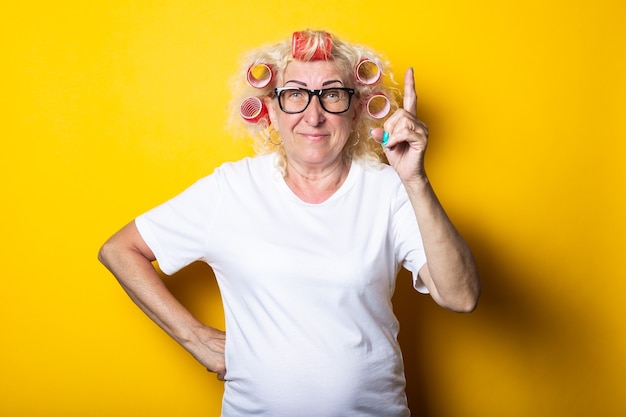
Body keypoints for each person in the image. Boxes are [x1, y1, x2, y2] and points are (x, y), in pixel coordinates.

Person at [98, 29, 480, 417]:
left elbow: (460, 297)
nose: (313, 116)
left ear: (356, 108)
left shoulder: (389, 189)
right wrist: (195, 337)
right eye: (295, 94)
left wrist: (415, 180)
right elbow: (119, 250)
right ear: (271, 110)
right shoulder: (231, 189)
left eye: (332, 94)